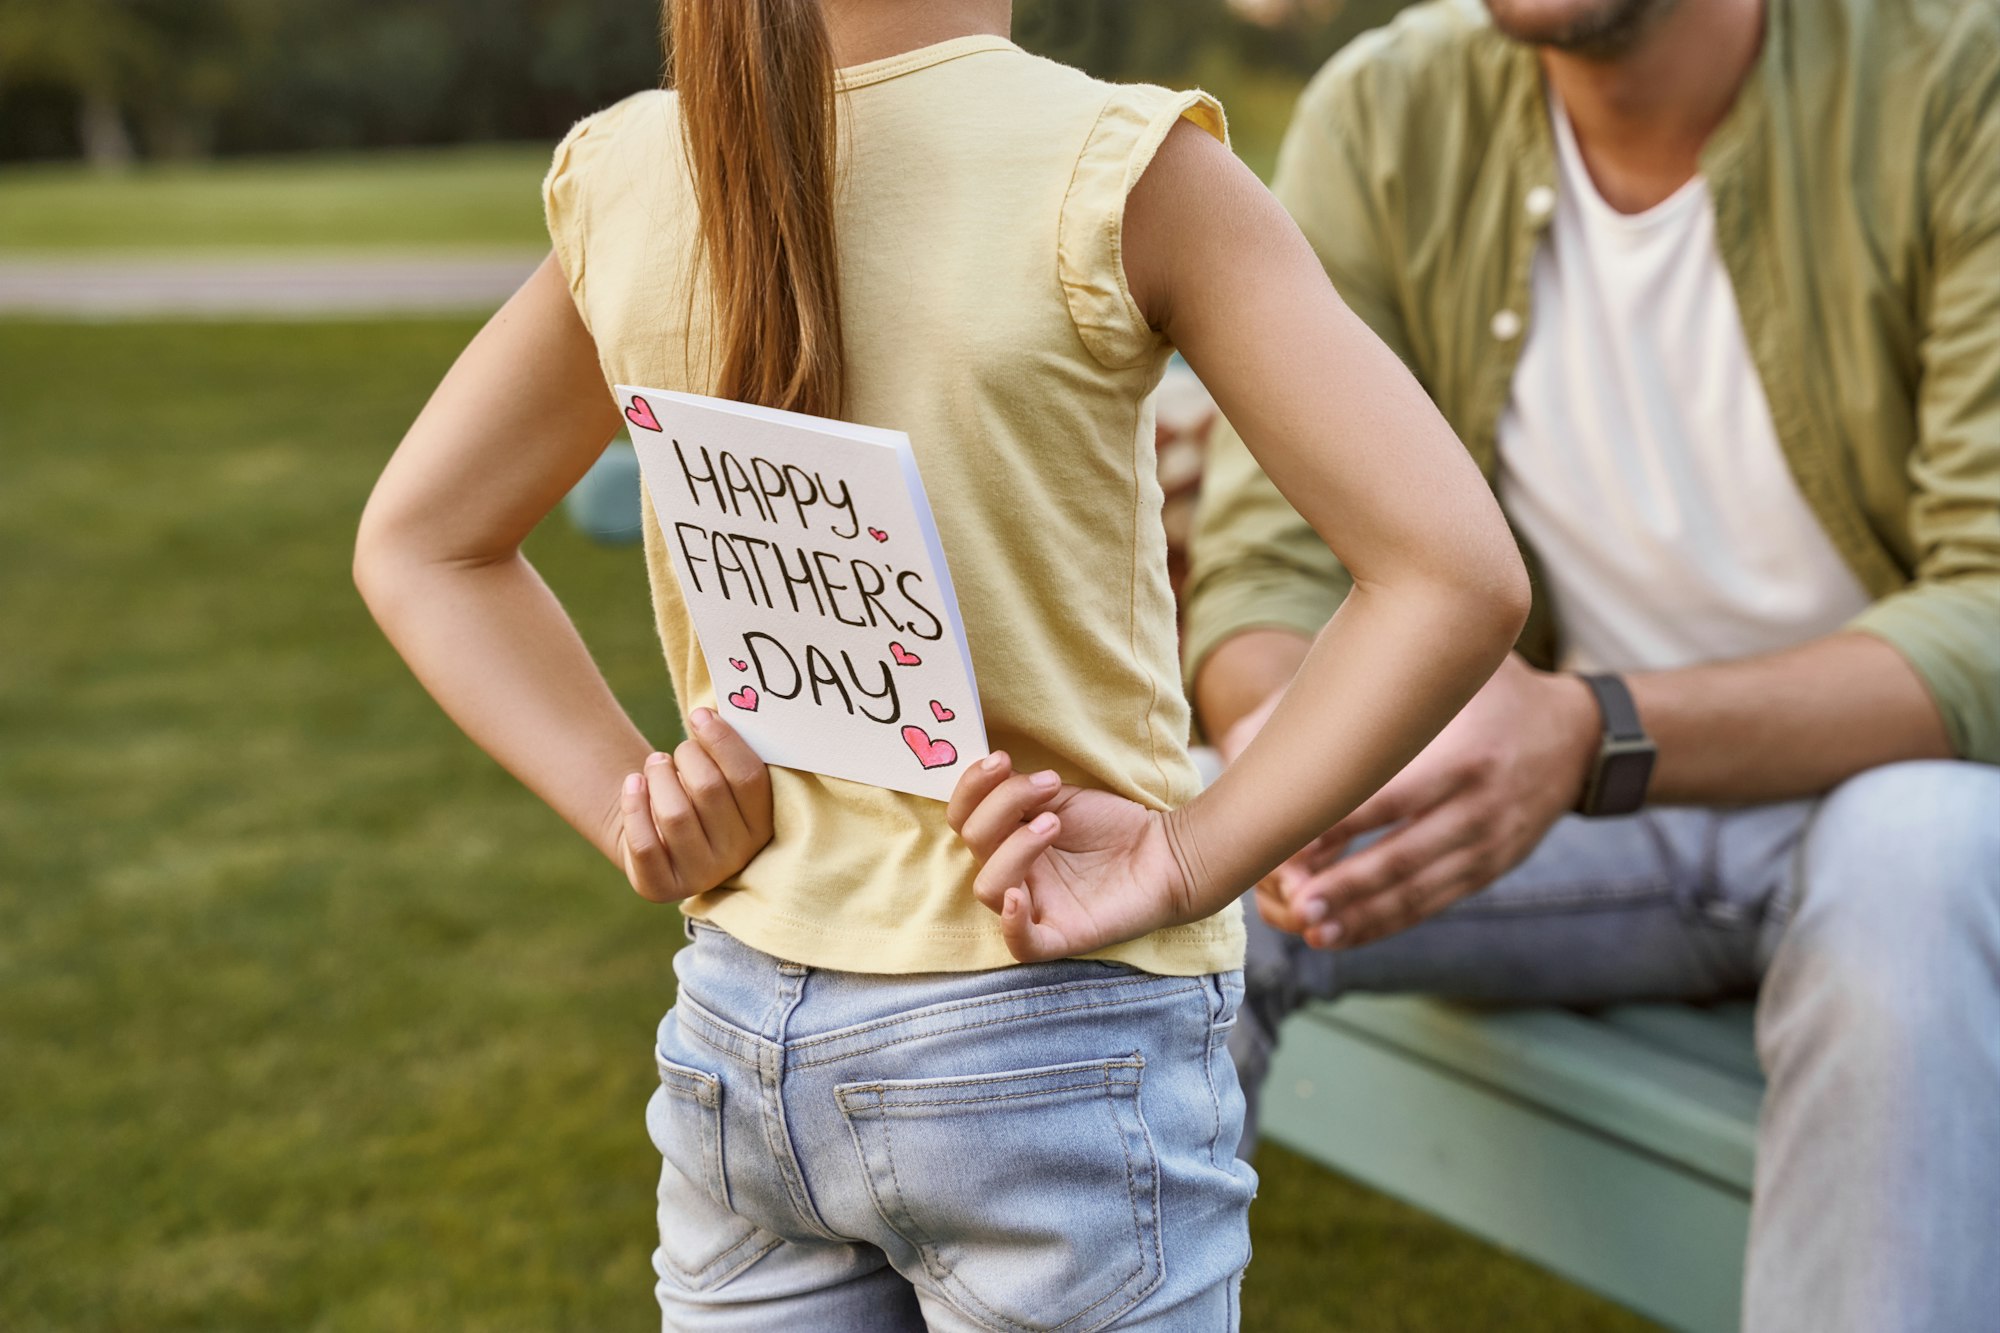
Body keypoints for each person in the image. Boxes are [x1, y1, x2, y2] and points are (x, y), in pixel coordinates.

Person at [353, 0, 1528, 1325]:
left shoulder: (634, 172)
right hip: (1053, 1017)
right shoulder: (1120, 167)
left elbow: (420, 544)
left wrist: (640, 803)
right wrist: (1185, 856)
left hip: (745, 1030)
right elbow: (1453, 574)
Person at [1185, 0, 2000, 1327]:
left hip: (1900, 801)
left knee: (1918, 849)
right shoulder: (1386, 116)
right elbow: (1271, 571)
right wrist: (1305, 766)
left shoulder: (1958, 77)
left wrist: (1595, 731)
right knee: (1182, 847)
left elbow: (1991, 610)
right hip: (1558, 812)